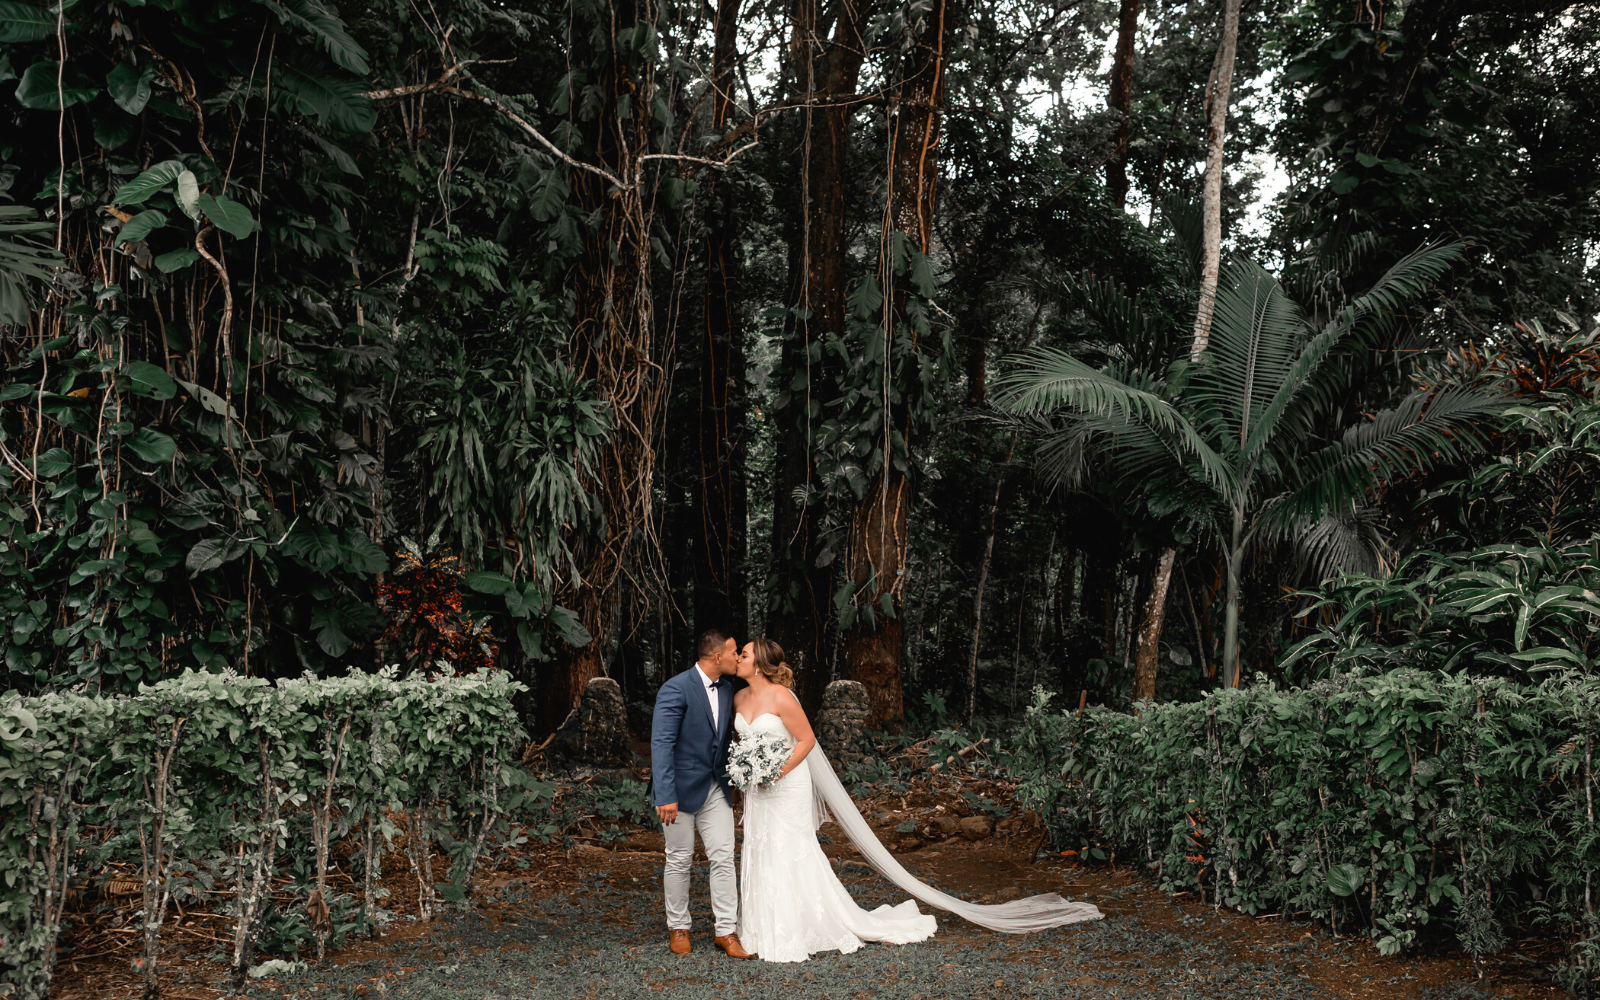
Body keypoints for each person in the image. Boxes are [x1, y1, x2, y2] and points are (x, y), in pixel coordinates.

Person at [730, 637, 1104, 963]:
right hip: (758, 792)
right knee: (760, 848)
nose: (739, 658)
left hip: (785, 784)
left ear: (761, 665)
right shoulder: (740, 696)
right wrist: (750, 772)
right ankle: (762, 928)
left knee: (791, 848)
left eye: (744, 654)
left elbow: (807, 741)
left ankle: (803, 925)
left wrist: (774, 772)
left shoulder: (782, 697)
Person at [649, 628, 753, 959]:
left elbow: (723, 743)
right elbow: (661, 743)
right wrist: (664, 794)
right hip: (677, 792)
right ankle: (678, 927)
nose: (738, 657)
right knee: (679, 858)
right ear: (716, 656)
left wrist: (733, 783)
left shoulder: (727, 690)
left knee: (723, 857)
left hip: (715, 790)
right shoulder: (675, 688)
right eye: (734, 651)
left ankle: (726, 931)